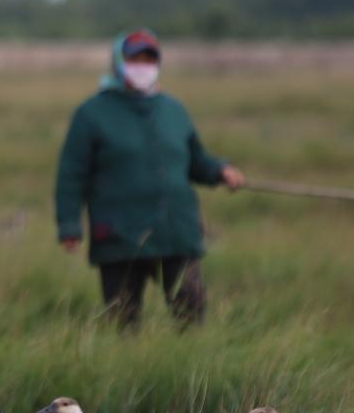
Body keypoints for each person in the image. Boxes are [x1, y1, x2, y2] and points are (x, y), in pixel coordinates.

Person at [54, 29, 244, 327]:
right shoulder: (91, 114)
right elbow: (71, 174)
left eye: (148, 59)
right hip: (119, 235)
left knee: (191, 314)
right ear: (118, 62)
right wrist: (69, 225)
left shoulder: (173, 110)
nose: (142, 66)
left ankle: (193, 370)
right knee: (122, 320)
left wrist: (220, 171)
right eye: (134, 59)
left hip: (176, 230)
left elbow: (195, 161)